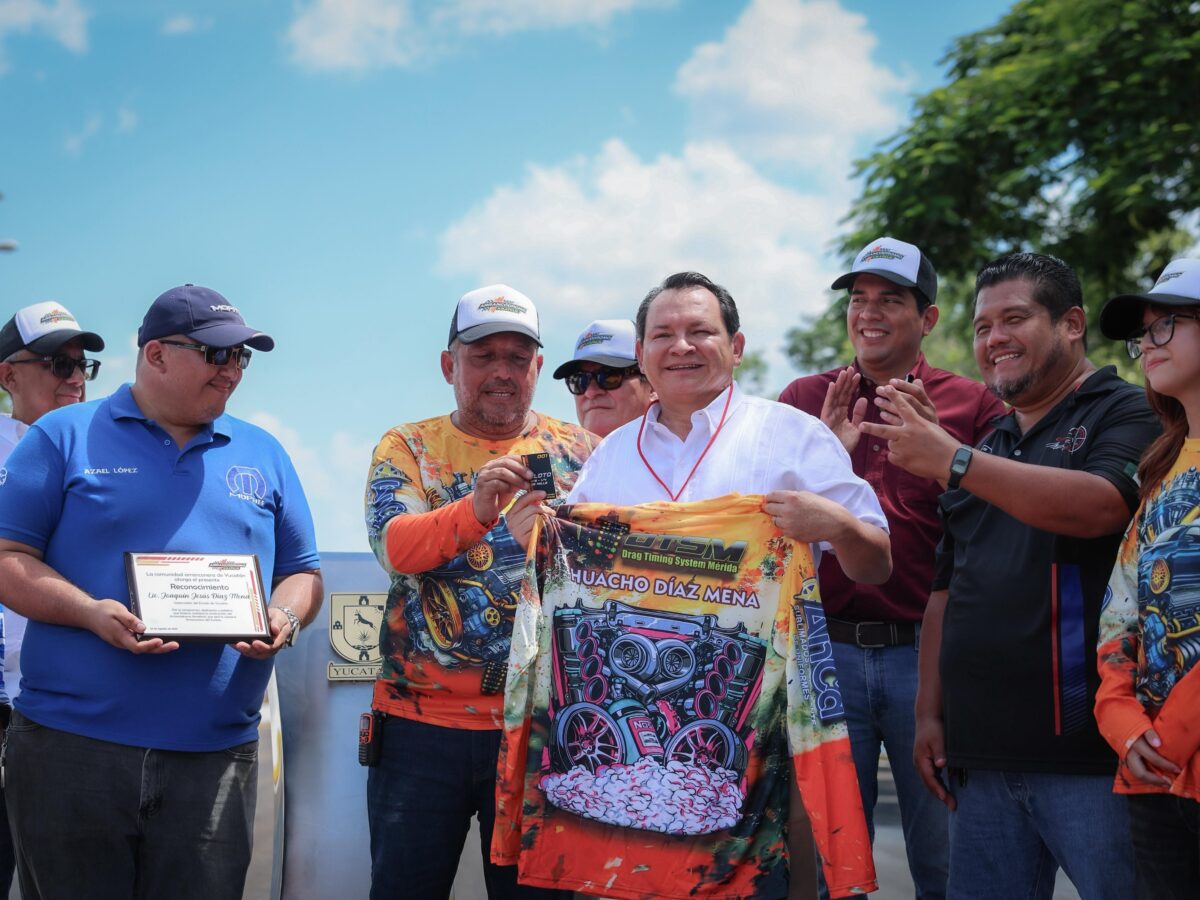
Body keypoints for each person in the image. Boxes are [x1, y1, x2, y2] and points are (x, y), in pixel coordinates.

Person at [566, 271, 891, 898]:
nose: (681, 346)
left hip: (762, 731)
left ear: (736, 346)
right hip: (632, 726)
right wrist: (536, 531)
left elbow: (876, 563)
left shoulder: (792, 436)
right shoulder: (608, 458)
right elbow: (569, 572)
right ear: (642, 354)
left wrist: (837, 525)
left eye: (700, 331)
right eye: (663, 334)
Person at [0, 285, 323, 900]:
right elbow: (8, 559)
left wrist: (283, 614)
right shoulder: (63, 435)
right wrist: (89, 613)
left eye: (241, 357)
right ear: (155, 355)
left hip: (215, 756)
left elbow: (304, 572)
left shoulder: (265, 452)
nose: (231, 370)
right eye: (216, 354)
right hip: (71, 749)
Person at [860, 252, 1159, 898]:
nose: (994, 338)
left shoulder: (1127, 411)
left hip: (1091, 755)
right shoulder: (990, 443)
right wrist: (929, 714)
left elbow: (1102, 505)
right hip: (979, 759)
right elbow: (945, 590)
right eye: (981, 326)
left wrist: (953, 460)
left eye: (1014, 319)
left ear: (1071, 324)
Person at [779, 237, 1003, 898]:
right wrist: (826, 454)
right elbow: (769, 524)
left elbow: (995, 531)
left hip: (926, 658)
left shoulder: (972, 405)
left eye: (891, 299)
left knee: (945, 857)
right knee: (830, 865)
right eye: (859, 298)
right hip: (824, 653)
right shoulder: (803, 398)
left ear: (927, 318)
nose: (869, 312)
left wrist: (944, 458)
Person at [364, 284, 595, 899]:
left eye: (517, 358)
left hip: (542, 728)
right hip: (417, 729)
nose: (501, 372)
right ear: (449, 365)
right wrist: (478, 510)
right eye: (482, 355)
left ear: (538, 367)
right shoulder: (408, 445)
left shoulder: (583, 452)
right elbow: (394, 547)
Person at [1094, 257, 1200, 898]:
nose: (1148, 344)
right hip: (1155, 772)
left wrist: (1171, 733)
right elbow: (1123, 606)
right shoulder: (1159, 464)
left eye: (1167, 325)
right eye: (1144, 333)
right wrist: (1120, 716)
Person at [0, 299, 105, 894]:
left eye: (81, 365)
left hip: (71, 711)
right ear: (7, 375)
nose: (74, 378)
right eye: (57, 364)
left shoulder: (112, 452)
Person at [552, 318, 653, 437]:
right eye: (579, 380)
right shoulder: (556, 447)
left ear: (652, 385)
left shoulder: (673, 447)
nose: (590, 393)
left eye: (609, 376)